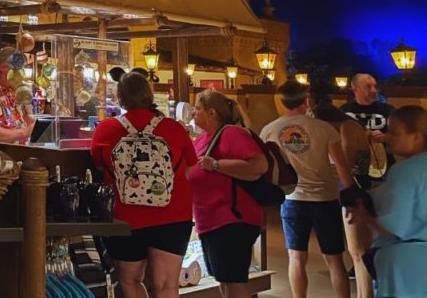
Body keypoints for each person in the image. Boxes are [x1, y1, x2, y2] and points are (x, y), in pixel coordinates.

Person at [90, 72, 197, 298]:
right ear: (149, 96)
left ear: (120, 98)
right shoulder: (173, 128)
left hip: (126, 217)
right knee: (167, 285)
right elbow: (190, 167)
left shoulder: (106, 129)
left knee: (130, 280)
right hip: (173, 214)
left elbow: (101, 167)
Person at [260, 81, 356, 298]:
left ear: (282, 101)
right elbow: (341, 164)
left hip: (291, 197)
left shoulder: (269, 130)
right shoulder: (324, 128)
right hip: (325, 198)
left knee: (295, 257)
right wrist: (351, 194)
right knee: (334, 259)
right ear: (306, 100)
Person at [189, 90, 268, 298]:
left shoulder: (232, 133)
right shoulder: (203, 139)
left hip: (231, 219)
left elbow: (259, 165)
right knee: (225, 280)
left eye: (197, 109)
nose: (193, 114)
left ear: (211, 112)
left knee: (233, 281)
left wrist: (216, 165)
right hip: (211, 222)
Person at [346, 105, 427, 298]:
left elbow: (393, 225)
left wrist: (364, 215)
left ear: (417, 136)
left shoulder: (406, 171)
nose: (389, 137)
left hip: (406, 262)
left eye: (395, 133)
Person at [314, 102, 373, 298]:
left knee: (358, 250)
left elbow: (346, 161)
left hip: (355, 189)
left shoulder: (347, 127)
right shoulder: (349, 126)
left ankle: (366, 295)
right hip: (353, 188)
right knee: (356, 250)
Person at [340, 73, 393, 186]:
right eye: (368, 87)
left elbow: (402, 136)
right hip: (353, 172)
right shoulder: (343, 112)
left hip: (381, 169)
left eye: (375, 86)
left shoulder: (388, 110)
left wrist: (386, 137)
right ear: (355, 89)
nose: (374, 90)